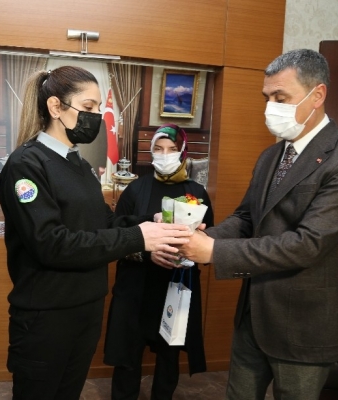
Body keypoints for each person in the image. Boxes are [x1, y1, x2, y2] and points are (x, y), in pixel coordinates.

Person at [170, 49, 338, 399]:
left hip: (304, 325)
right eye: (267, 97)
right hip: (253, 314)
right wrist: (195, 239)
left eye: (281, 98)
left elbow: (308, 244)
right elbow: (246, 218)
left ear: (317, 95)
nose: (270, 108)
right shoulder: (271, 155)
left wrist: (214, 251)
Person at [0, 66, 192, 400]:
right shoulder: (26, 165)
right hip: (47, 315)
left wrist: (154, 222)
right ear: (56, 107)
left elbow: (105, 223)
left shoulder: (79, 164)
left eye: (98, 107)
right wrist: (138, 237)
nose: (97, 116)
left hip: (86, 309)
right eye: (88, 107)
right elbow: (51, 244)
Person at [104, 123, 214, 400]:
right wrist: (147, 252)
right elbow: (115, 237)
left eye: (172, 149)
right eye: (158, 149)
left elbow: (207, 239)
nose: (165, 155)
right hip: (136, 287)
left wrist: (187, 252)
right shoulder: (135, 190)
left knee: (169, 354)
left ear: (183, 152)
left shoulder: (197, 193)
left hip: (175, 288)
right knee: (128, 354)